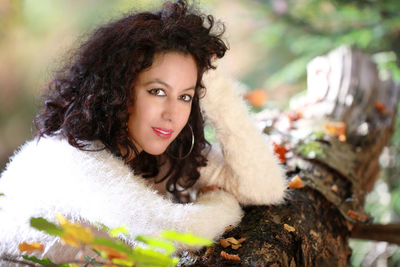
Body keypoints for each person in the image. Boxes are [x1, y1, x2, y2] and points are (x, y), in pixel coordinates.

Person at [0, 0, 287, 263]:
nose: (172, 114)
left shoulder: (160, 153)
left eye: (185, 96)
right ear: (117, 88)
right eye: (157, 91)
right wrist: (222, 201)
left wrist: (219, 93)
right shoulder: (68, 156)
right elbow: (169, 234)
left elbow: (265, 189)